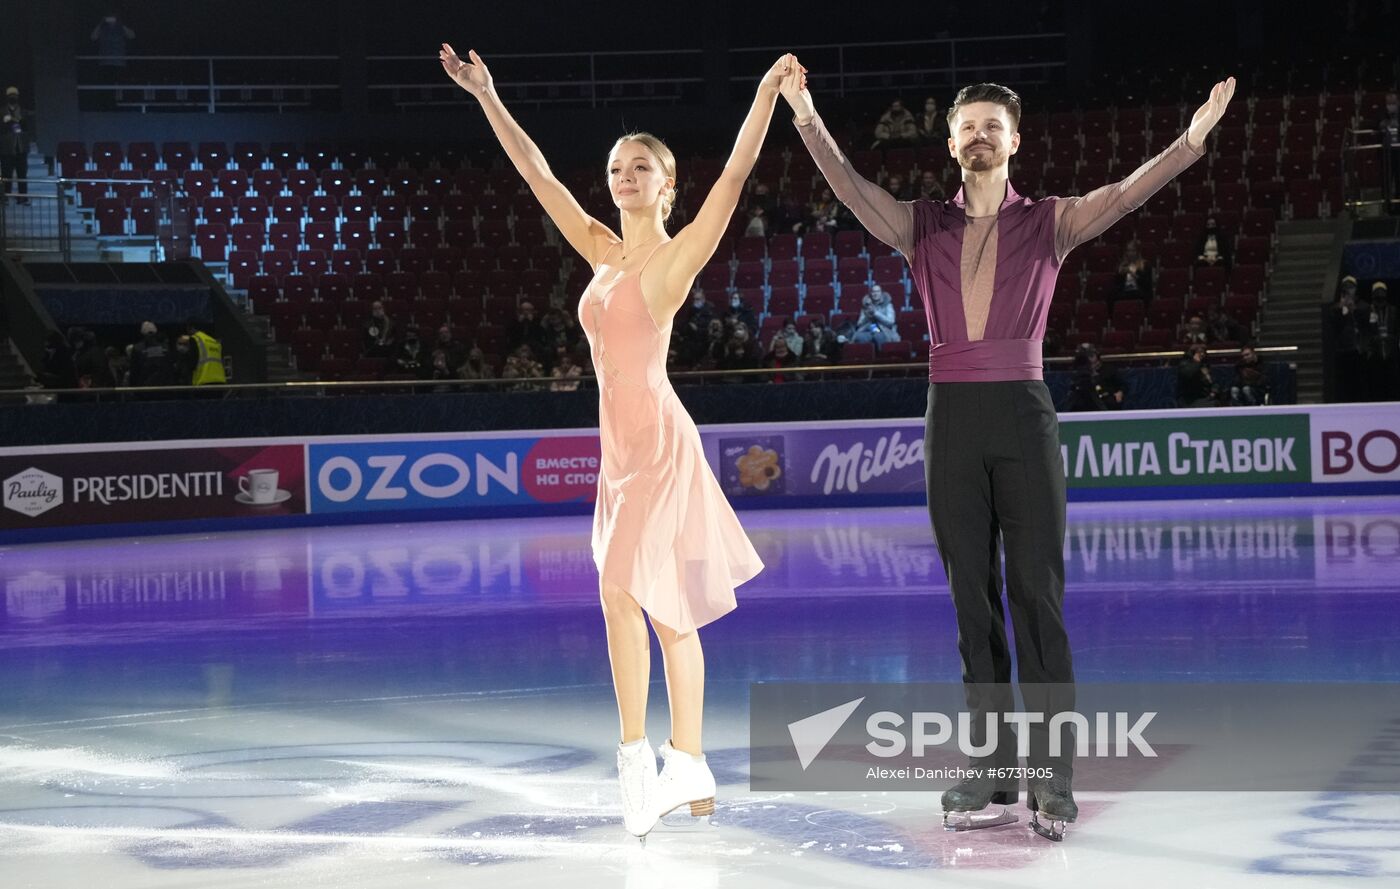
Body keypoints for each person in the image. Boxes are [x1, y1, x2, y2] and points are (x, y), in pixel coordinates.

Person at [783, 64, 1235, 840]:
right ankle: (990, 767)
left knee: (1036, 595)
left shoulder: (1051, 221)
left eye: (995, 125)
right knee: (972, 603)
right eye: (969, 125)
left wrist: (1190, 142)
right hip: (950, 416)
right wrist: (805, 114)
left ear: (1016, 141)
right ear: (951, 142)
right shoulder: (920, 224)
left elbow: (1123, 195)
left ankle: (1052, 777)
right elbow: (853, 189)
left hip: (1024, 415)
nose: (981, 135)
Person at [441, 43, 775, 838]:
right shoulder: (599, 247)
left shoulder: (673, 258)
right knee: (664, 614)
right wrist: (488, 94)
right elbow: (537, 174)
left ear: (667, 184)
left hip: (658, 442)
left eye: (640, 168)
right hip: (618, 452)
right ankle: (688, 761)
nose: (624, 176)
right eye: (618, 167)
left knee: (622, 592)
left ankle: (637, 758)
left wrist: (762, 94)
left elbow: (733, 180)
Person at [1360, 281, 1399, 399]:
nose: (1380, 295)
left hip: (1390, 351)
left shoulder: (1393, 310)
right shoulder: (1368, 310)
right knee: (1376, 387)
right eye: (1377, 293)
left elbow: (1396, 329)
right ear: (1373, 295)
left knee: (1392, 385)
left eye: (1382, 292)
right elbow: (1364, 330)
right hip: (1375, 353)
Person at [1332, 277, 1365, 402]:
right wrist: (1342, 310)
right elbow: (1335, 327)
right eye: (1346, 288)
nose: (1349, 291)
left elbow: (1365, 324)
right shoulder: (1336, 309)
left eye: (1351, 288)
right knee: (1344, 384)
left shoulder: (1362, 307)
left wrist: (1354, 310)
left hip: (1357, 350)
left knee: (1358, 383)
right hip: (1343, 351)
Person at [1066, 344, 1124, 410]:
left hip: (1105, 401)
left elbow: (1122, 385)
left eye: (1091, 355)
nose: (1089, 359)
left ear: (1097, 355)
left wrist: (1120, 392)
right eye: (1085, 357)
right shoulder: (1077, 374)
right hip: (1083, 403)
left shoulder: (1109, 369)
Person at [1, 86, 31, 205]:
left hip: (20, 147)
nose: (13, 97)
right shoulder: (2, 112)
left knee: (22, 174)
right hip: (6, 149)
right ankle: (5, 197)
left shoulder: (23, 112)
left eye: (15, 95)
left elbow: (26, 127)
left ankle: (22, 197)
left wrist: (15, 120)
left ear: (17, 97)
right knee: (6, 174)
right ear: (7, 97)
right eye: (10, 95)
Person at [128, 320, 175, 388]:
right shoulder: (165, 348)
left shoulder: (137, 349)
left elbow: (134, 372)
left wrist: (133, 389)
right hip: (164, 389)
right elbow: (170, 369)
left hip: (144, 390)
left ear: (142, 333)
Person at [1116, 240, 1152, 304]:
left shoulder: (1145, 264)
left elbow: (1147, 284)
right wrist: (1120, 273)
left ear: (1137, 252)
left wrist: (1134, 275)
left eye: (1133, 251)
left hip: (1139, 291)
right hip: (1125, 291)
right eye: (1128, 251)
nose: (1130, 253)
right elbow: (1118, 284)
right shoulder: (1123, 265)